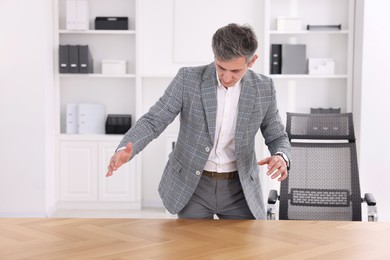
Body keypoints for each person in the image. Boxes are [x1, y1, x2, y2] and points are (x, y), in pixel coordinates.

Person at [106, 23, 291, 220]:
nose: (226, 77)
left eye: (235, 71)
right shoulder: (188, 79)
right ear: (214, 56)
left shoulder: (264, 88)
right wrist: (126, 149)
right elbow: (154, 120)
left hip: (240, 189)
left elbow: (277, 135)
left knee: (244, 249)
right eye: (221, 67)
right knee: (190, 249)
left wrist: (281, 156)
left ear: (252, 61)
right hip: (193, 186)